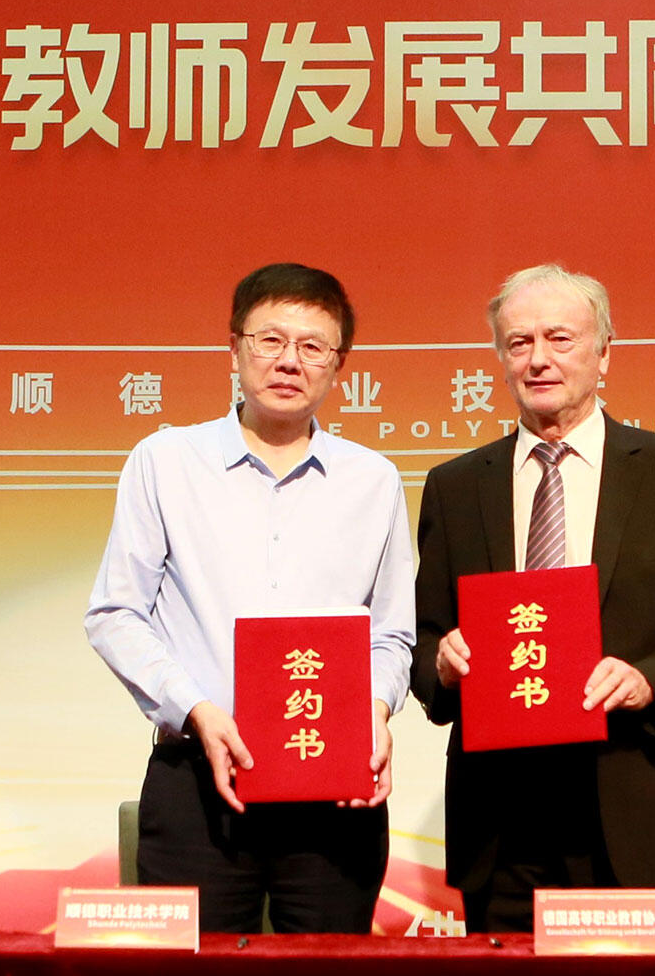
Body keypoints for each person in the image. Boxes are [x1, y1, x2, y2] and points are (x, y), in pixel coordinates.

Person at [411, 263, 655, 932]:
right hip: (501, 826)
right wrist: (444, 665)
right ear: (501, 359)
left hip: (629, 810)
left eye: (560, 339)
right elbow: (424, 643)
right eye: (518, 343)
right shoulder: (456, 488)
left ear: (604, 354)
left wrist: (648, 680)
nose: (539, 359)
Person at [86, 262, 413, 933]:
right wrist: (197, 710)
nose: (289, 362)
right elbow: (116, 613)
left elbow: (391, 634)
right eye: (269, 340)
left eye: (312, 346)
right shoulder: (166, 461)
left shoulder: (372, 480)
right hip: (195, 781)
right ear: (233, 348)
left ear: (338, 364)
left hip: (333, 787)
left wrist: (374, 712)